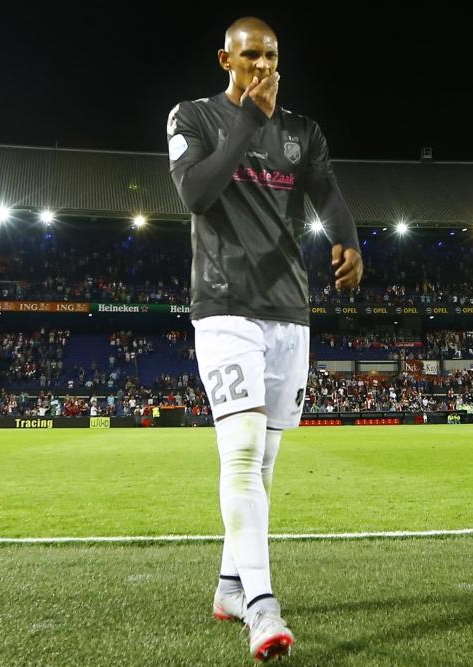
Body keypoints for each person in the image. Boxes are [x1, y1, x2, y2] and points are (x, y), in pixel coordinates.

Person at [166, 16, 362, 662]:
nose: (262, 67)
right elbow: (196, 192)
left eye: (271, 56)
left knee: (266, 463)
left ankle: (229, 585)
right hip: (224, 307)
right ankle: (261, 606)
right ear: (224, 57)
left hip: (288, 311)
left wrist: (347, 238)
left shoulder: (301, 132)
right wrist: (247, 119)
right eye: (249, 55)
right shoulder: (192, 118)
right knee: (243, 450)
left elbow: (326, 192)